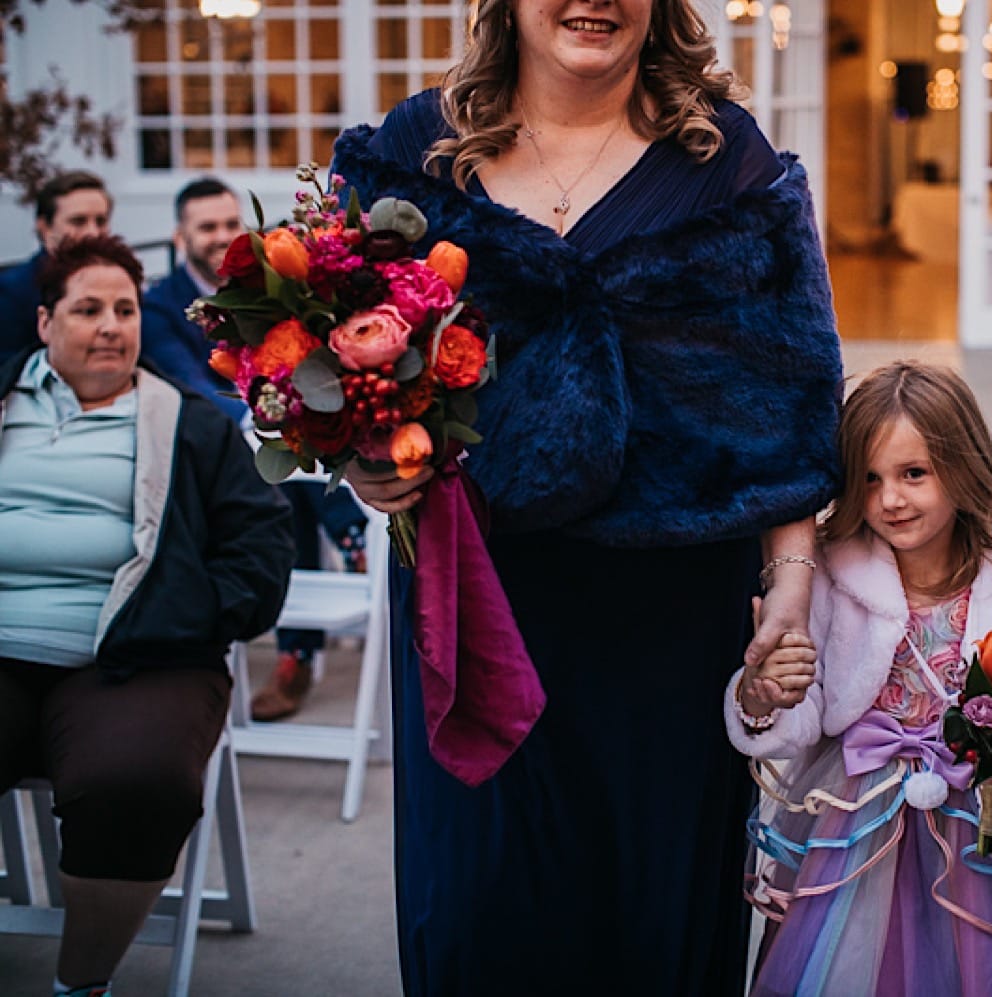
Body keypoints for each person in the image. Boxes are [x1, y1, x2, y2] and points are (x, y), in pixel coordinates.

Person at [330, 1, 843, 992]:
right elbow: (346, 367)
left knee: (653, 918)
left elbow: (793, 401)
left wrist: (790, 581)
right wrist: (365, 462)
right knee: (479, 916)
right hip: (480, 604)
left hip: (673, 622)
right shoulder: (413, 157)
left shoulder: (725, 159)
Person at [726, 362, 992, 995]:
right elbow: (803, 712)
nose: (890, 500)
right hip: (853, 828)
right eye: (869, 479)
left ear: (965, 469)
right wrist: (762, 698)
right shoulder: (832, 578)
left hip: (977, 835)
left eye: (914, 474)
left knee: (971, 970)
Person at [0, 234, 294, 997]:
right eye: (88, 308)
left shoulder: (192, 425)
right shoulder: (4, 406)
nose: (110, 326)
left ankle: (80, 982)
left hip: (139, 658)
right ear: (43, 322)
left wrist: (182, 611)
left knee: (135, 782)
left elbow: (259, 554)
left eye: (125, 309)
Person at [140, 177, 367, 721]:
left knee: (286, 461)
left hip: (274, 437)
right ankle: (351, 542)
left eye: (228, 224)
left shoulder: (266, 286)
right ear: (180, 237)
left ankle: (299, 651)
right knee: (278, 465)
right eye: (206, 227)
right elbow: (186, 386)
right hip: (202, 452)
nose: (220, 236)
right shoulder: (159, 307)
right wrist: (270, 419)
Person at [0, 171, 112, 364]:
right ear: (45, 227)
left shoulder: (117, 284)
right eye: (78, 221)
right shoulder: (12, 291)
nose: (92, 232)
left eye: (100, 222)